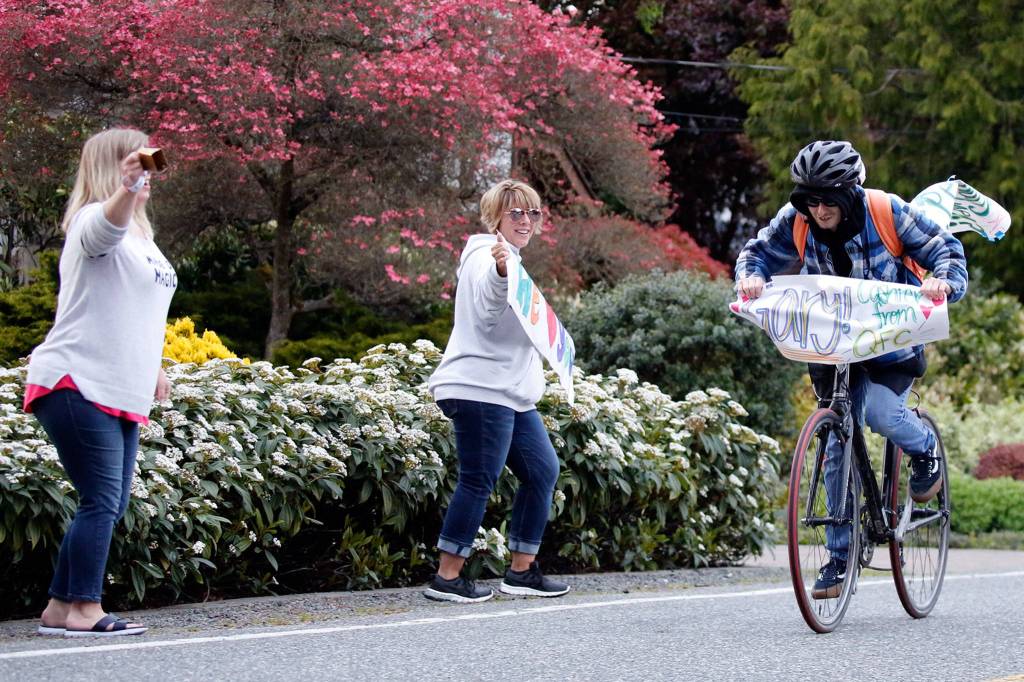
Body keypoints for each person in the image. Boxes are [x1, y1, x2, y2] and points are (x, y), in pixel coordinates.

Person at [734, 140, 968, 599]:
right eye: (811, 200)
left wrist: (944, 282)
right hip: (834, 347)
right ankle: (839, 559)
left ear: (850, 194)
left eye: (829, 201)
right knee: (835, 439)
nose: (819, 210)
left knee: (882, 415)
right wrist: (751, 276)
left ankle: (924, 451)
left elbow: (947, 250)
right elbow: (755, 252)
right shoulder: (797, 219)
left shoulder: (887, 211)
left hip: (890, 343)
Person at [23, 128, 177, 636]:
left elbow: (135, 306)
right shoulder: (95, 219)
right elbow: (103, 233)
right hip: (76, 379)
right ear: (117, 167)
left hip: (119, 387)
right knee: (101, 500)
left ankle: (59, 607)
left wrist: (154, 362)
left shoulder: (144, 238)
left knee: (108, 501)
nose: (151, 172)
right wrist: (127, 188)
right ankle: (85, 609)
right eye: (140, 162)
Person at [423, 179, 569, 603]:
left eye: (533, 213)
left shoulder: (513, 260)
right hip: (480, 389)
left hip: (510, 393)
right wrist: (504, 272)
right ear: (495, 219)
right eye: (516, 213)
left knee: (542, 471)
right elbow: (487, 302)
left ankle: (521, 571)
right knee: (478, 479)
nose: (526, 220)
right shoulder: (486, 256)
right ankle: (448, 577)